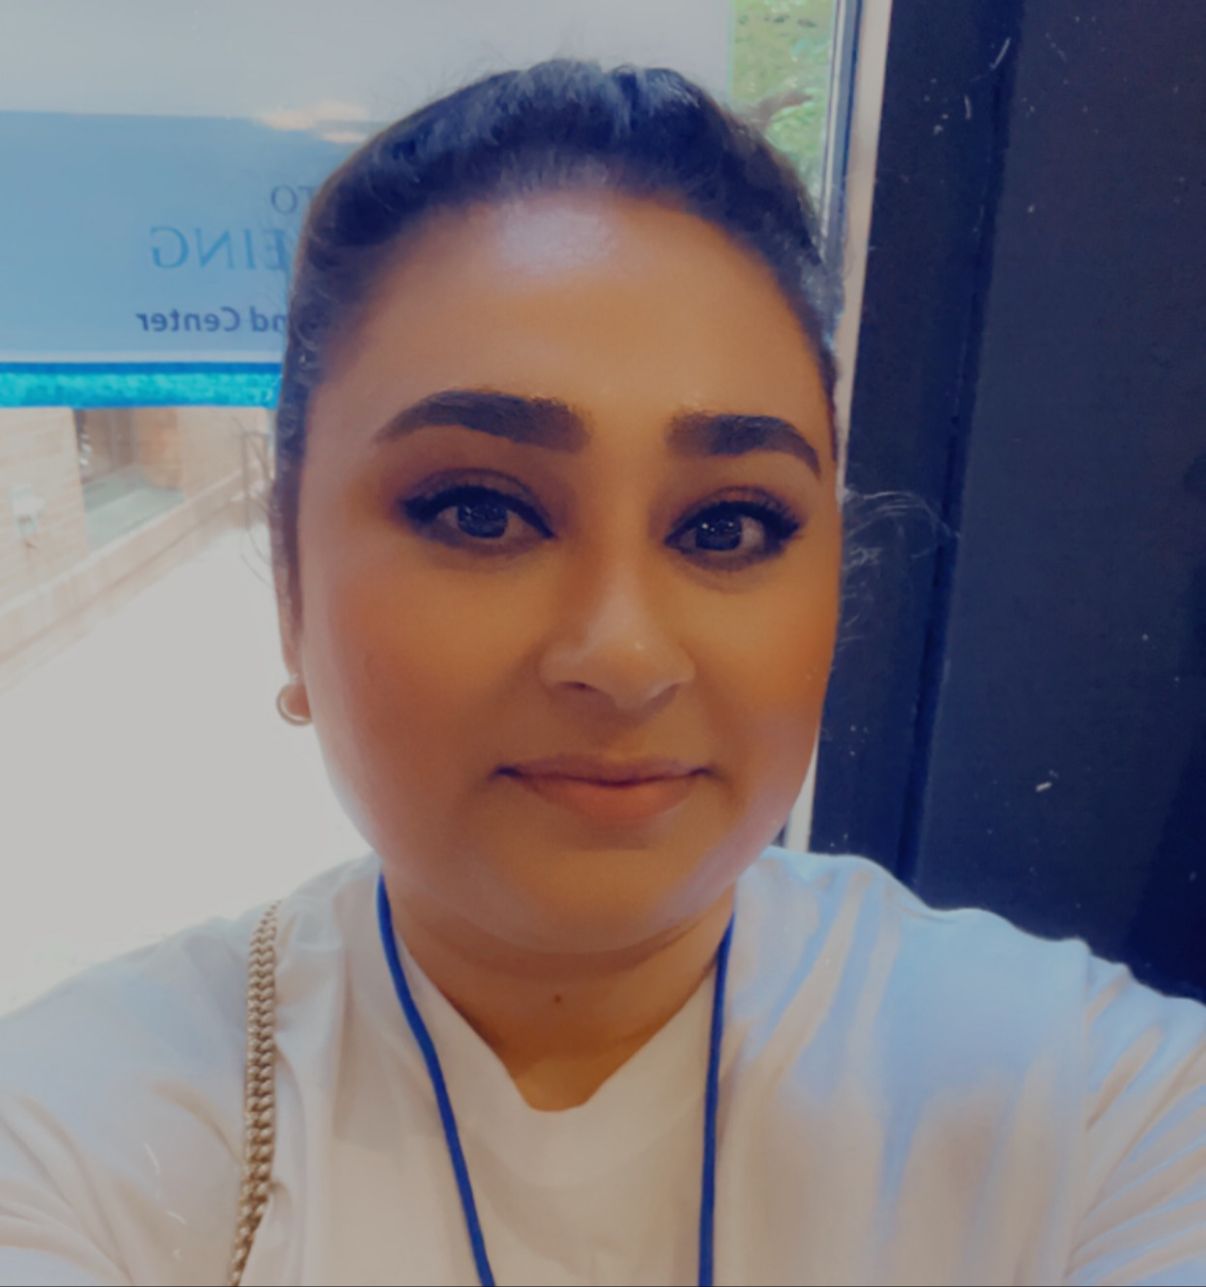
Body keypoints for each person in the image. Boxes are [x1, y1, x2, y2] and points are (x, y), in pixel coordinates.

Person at [1, 59, 1203, 1287]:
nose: (624, 656)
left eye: (728, 525)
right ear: (289, 588)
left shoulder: (1095, 1118)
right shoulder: (76, 1138)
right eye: (479, 511)